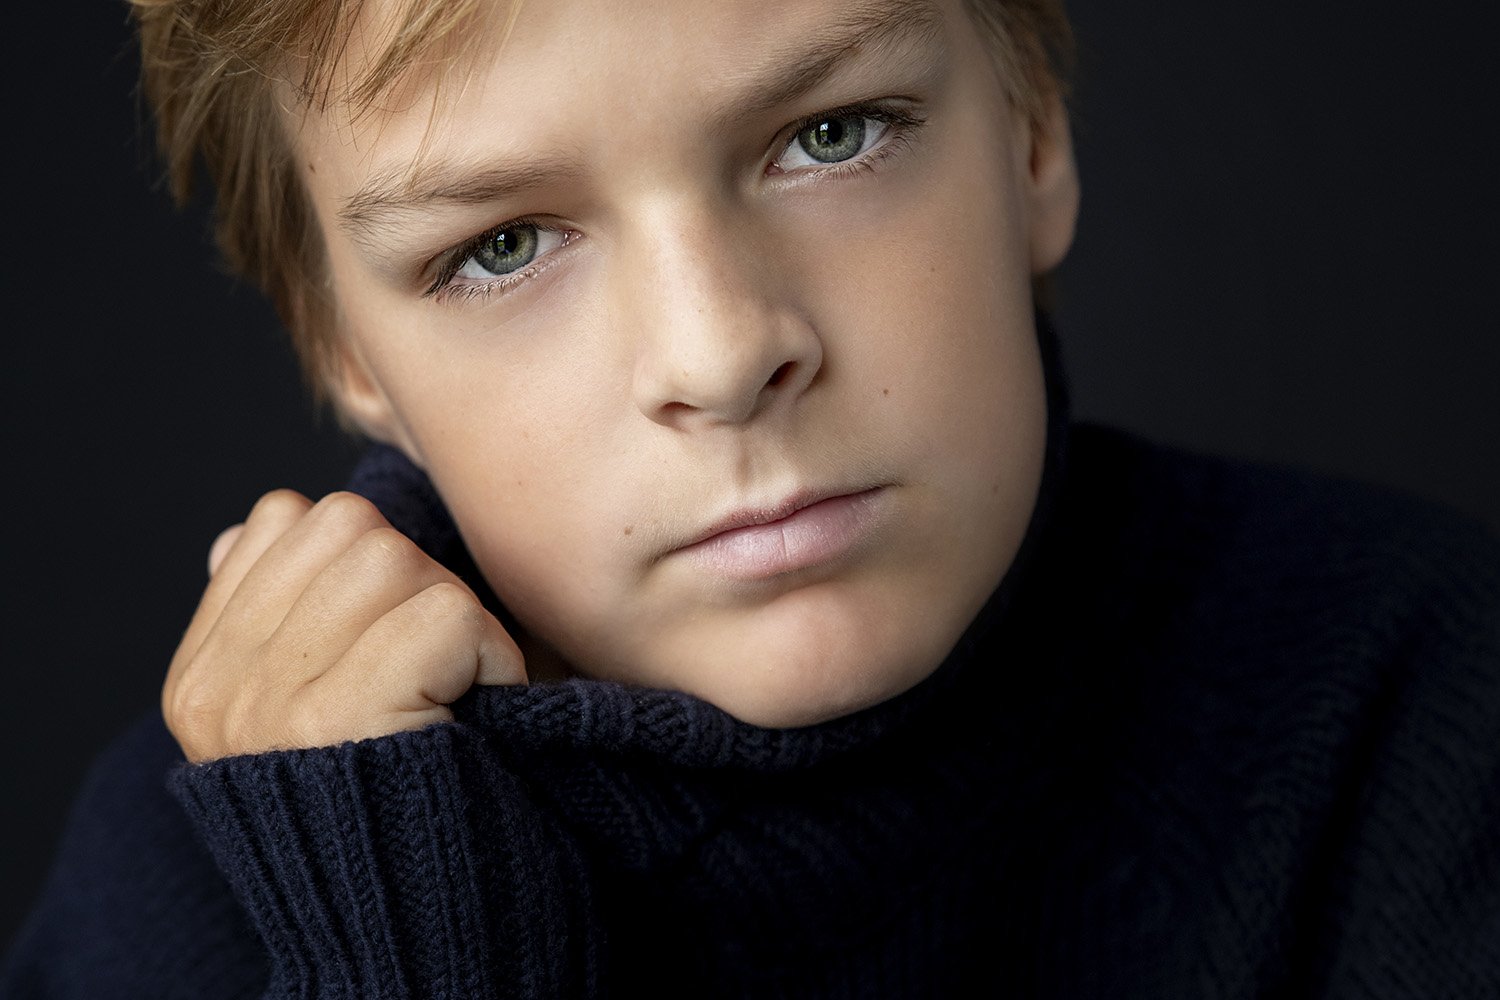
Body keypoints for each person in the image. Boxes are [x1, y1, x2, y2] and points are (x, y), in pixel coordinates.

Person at [4, 0, 1498, 996]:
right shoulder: (185, 882)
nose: (722, 353)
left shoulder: (1426, 699)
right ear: (348, 354)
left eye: (828, 135)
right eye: (506, 245)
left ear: (1032, 132)